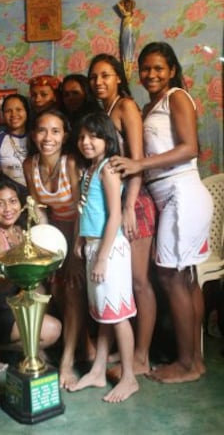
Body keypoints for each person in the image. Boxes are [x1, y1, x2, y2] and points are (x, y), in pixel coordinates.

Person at [110, 41, 213, 384]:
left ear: (171, 70)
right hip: (171, 195)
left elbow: (189, 148)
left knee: (171, 276)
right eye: (145, 68)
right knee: (186, 278)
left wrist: (139, 163)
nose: (151, 74)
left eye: (158, 68)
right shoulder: (149, 105)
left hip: (182, 192)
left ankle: (187, 365)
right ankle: (194, 359)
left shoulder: (177, 97)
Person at [87, 53, 157, 378]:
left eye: (105, 75)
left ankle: (141, 356)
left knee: (139, 282)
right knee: (121, 285)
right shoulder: (104, 112)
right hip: (116, 200)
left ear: (118, 77)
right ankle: (123, 352)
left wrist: (129, 205)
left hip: (133, 200)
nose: (98, 82)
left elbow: (137, 159)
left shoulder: (126, 105)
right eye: (94, 77)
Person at [69, 112, 139, 403]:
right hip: (94, 247)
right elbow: (86, 211)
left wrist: (102, 258)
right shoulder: (90, 169)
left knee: (118, 316)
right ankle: (98, 371)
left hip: (110, 250)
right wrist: (79, 239)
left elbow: (114, 216)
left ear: (107, 139)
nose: (86, 142)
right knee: (104, 314)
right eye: (82, 137)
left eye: (94, 136)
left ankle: (129, 377)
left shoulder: (109, 168)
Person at [23, 108, 90, 389]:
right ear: (33, 134)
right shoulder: (30, 165)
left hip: (80, 229)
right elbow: (40, 212)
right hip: (53, 232)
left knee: (72, 289)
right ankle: (34, 354)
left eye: (55, 131)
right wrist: (47, 256)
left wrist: (73, 257)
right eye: (41, 130)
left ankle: (67, 362)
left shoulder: (71, 162)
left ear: (65, 136)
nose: (47, 137)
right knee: (37, 286)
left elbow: (81, 210)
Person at [0, 176, 61, 372]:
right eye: (0, 204)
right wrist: (12, 275)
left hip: (14, 305)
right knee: (52, 330)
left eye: (12, 201)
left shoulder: (20, 231)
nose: (8, 209)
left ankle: (22, 349)